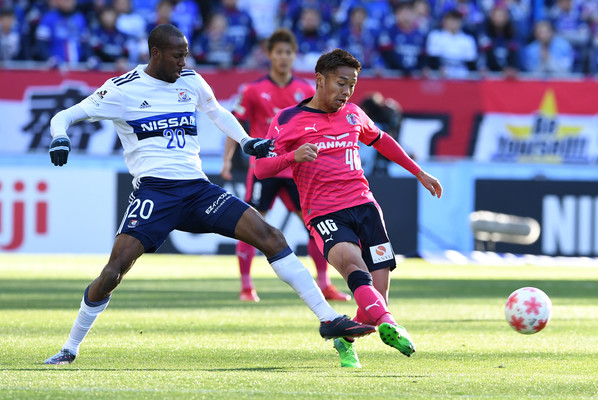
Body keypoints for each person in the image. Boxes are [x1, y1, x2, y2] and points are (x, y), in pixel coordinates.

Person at [43, 25, 375, 365]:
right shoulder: (122, 89)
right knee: (114, 272)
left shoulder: (191, 81)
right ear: (155, 54)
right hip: (156, 193)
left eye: (186, 54)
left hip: (199, 190)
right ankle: (70, 347)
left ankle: (328, 319)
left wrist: (247, 142)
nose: (183, 61)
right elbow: (65, 115)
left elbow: (218, 113)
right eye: (177, 56)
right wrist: (59, 137)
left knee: (269, 235)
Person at [255, 49, 443, 368]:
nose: (346, 92)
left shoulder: (355, 114)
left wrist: (419, 172)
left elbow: (381, 140)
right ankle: (392, 324)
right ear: (320, 80)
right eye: (341, 83)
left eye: (352, 85)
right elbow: (261, 169)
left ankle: (346, 339)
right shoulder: (288, 120)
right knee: (356, 271)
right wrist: (292, 157)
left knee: (374, 302)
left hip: (366, 208)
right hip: (325, 215)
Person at [221, 28, 350, 303]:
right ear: (269, 55)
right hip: (265, 169)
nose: (283, 57)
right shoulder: (253, 90)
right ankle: (246, 286)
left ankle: (325, 283)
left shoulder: (305, 90)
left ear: (294, 56)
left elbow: (323, 127)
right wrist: (226, 161)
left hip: (298, 171)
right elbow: (235, 125)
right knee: (250, 225)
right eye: (278, 51)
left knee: (317, 226)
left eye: (288, 52)